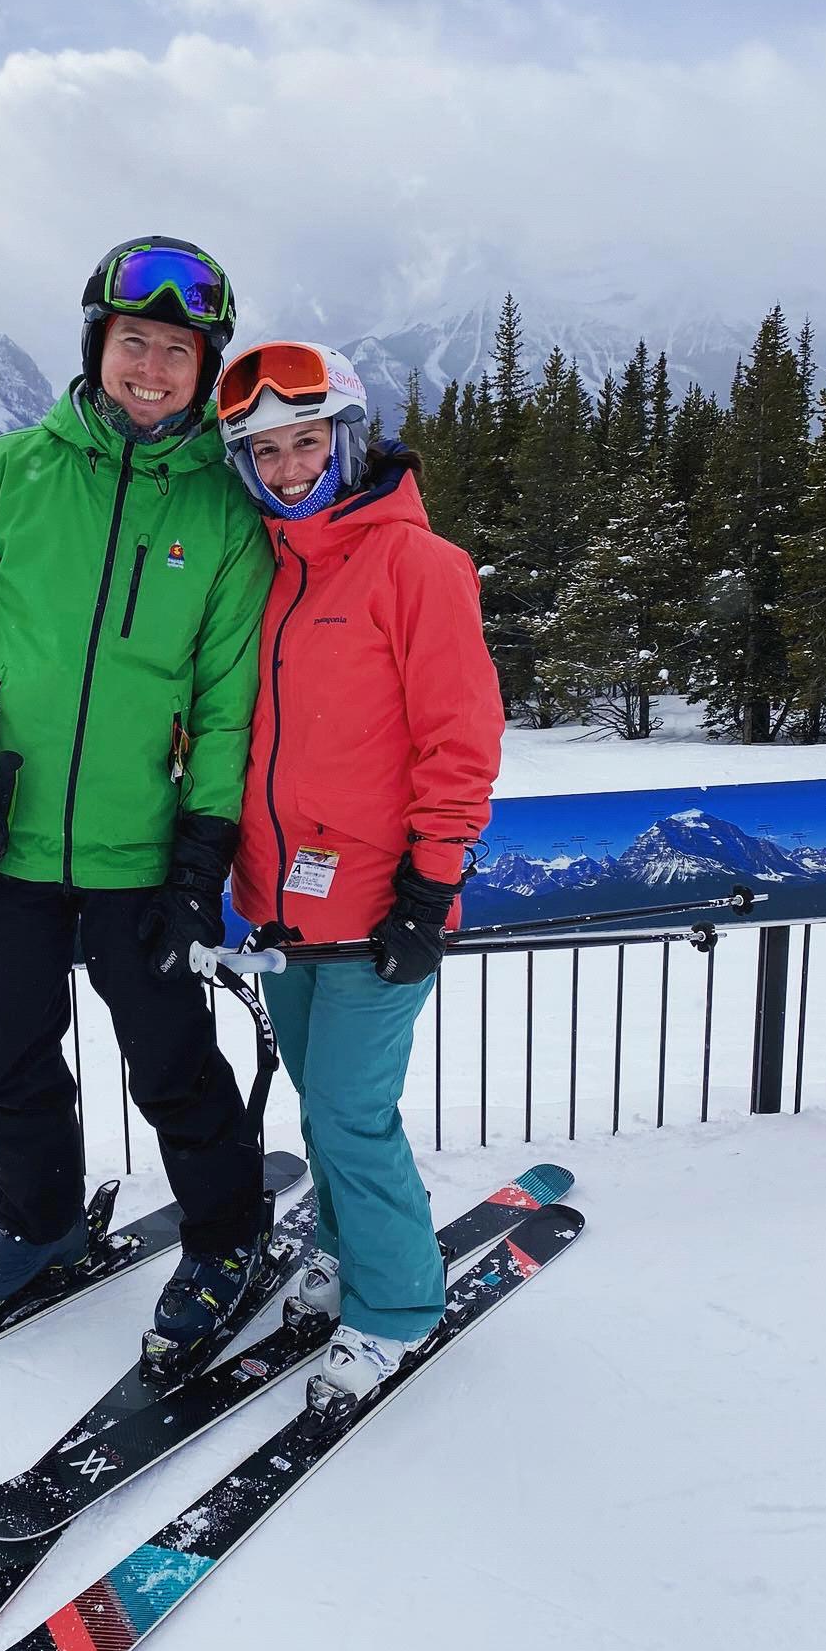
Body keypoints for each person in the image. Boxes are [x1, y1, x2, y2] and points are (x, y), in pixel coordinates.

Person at [0, 236, 274, 1355]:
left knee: (172, 1061)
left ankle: (225, 1238)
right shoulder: (5, 474)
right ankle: (40, 1222)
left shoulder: (224, 512)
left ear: (205, 371)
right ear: (97, 345)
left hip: (142, 851)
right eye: (134, 341)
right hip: (10, 837)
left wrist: (203, 854)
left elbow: (226, 706)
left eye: (177, 351)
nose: (152, 368)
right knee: (9, 1054)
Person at [218, 340, 505, 1398]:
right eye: (266, 452)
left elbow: (461, 738)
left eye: (306, 442)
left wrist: (429, 891)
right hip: (280, 910)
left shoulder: (416, 566)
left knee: (351, 1113)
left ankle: (397, 1306)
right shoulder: (268, 565)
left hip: (381, 907)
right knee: (318, 1105)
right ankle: (343, 1247)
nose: (289, 468)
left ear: (347, 440)